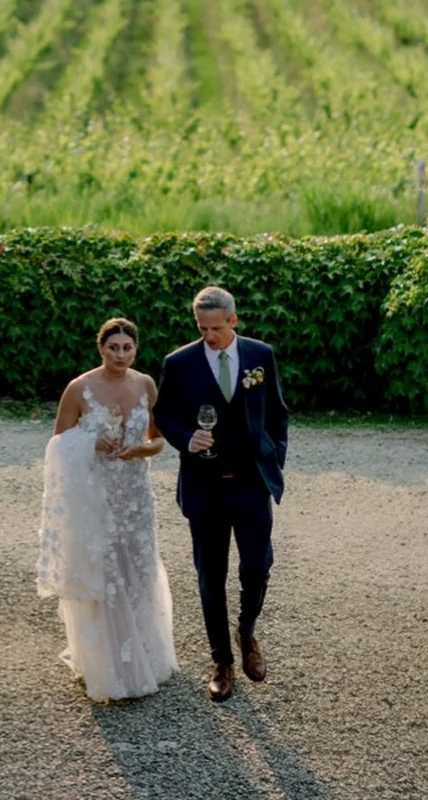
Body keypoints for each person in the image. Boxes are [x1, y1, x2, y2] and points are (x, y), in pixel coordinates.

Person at [153, 285, 288, 701]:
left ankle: (247, 633)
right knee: (211, 576)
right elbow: (163, 413)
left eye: (216, 327)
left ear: (233, 320)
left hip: (251, 484)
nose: (208, 335)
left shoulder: (260, 355)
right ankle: (222, 661)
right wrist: (185, 437)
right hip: (204, 485)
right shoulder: (179, 363)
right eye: (202, 328)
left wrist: (273, 458)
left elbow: (278, 413)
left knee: (256, 567)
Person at [37, 316, 177, 701]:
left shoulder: (146, 384)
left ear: (136, 349)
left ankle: (145, 655)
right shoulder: (79, 388)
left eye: (127, 348)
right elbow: (58, 442)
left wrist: (139, 449)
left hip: (134, 495)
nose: (120, 354)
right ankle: (105, 662)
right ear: (101, 348)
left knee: (138, 570)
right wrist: (89, 441)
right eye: (113, 347)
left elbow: (159, 440)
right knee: (104, 572)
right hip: (95, 494)